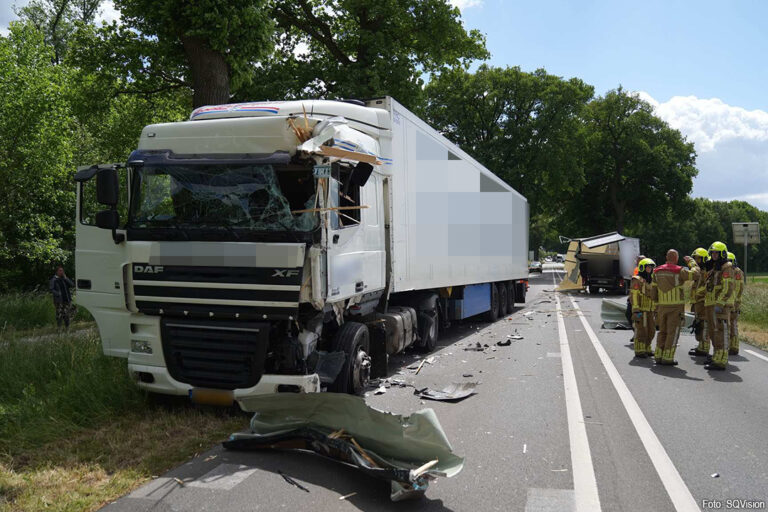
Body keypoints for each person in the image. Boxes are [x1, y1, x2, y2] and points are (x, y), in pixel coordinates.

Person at [650, 250, 699, 365]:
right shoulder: (679, 270)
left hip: (662, 307)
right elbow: (696, 274)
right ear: (676, 259)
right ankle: (668, 357)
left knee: (662, 331)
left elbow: (653, 292)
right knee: (673, 332)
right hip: (675, 308)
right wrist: (692, 262)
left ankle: (658, 355)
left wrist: (656, 306)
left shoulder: (656, 271)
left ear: (666, 257)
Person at [703, 242, 734, 371]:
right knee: (713, 331)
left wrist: (720, 303)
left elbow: (728, 288)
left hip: (719, 306)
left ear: (722, 254)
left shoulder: (726, 267)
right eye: (712, 253)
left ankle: (721, 360)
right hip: (711, 304)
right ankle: (716, 356)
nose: (714, 255)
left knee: (721, 331)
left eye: (716, 253)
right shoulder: (716, 267)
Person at [630, 258, 656, 357]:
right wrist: (636, 310)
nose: (650, 269)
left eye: (651, 267)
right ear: (643, 268)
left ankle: (647, 348)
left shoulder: (652, 280)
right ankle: (640, 350)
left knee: (651, 330)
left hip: (650, 310)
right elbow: (634, 295)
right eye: (648, 267)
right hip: (641, 310)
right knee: (641, 330)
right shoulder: (637, 280)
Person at [688, 248, 710, 357]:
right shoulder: (700, 270)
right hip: (698, 302)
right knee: (699, 324)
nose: (696, 260)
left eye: (698, 258)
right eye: (695, 258)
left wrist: (697, 294)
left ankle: (704, 347)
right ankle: (701, 346)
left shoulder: (707, 271)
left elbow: (706, 287)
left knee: (705, 324)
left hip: (704, 302)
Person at [727, 252, 744, 355]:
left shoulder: (736, 272)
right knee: (731, 324)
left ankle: (733, 347)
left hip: (733, 302)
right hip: (731, 301)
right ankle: (732, 346)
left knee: (732, 324)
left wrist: (735, 301)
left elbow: (739, 288)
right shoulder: (733, 271)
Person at [627, 254, 647, 337]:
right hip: (633, 298)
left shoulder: (648, 270)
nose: (638, 262)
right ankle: (635, 332)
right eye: (638, 260)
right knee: (628, 314)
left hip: (643, 299)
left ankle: (639, 334)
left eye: (640, 260)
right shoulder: (636, 270)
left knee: (640, 317)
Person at [49, 266, 75, 330]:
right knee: (59, 315)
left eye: (62, 270)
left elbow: (72, 285)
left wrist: (66, 278)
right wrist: (58, 294)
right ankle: (59, 329)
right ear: (57, 272)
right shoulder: (54, 280)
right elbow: (51, 289)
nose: (62, 272)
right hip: (59, 301)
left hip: (67, 299)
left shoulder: (64, 279)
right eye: (60, 270)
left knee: (67, 315)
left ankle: (67, 328)